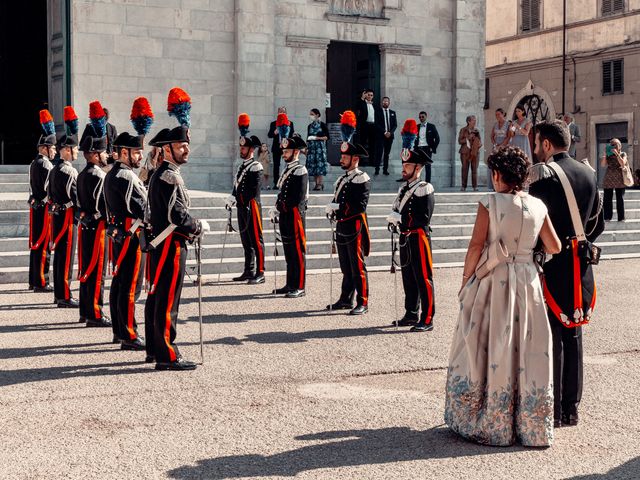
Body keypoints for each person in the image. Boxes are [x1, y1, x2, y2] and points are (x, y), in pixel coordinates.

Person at [445, 146, 562, 447]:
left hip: (495, 280)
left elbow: (475, 246)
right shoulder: (538, 205)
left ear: (497, 174)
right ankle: (529, 425)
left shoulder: (490, 202)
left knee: (488, 344)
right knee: (527, 347)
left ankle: (491, 419)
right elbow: (554, 246)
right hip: (527, 280)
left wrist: (466, 279)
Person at [529, 120, 605, 428]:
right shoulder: (589, 173)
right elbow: (597, 224)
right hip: (581, 266)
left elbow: (535, 223)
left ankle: (555, 411)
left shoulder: (543, 176)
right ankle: (572, 408)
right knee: (574, 332)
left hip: (554, 263)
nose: (535, 150)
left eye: (536, 144)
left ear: (546, 144)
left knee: (553, 335)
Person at [145, 91, 208, 370]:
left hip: (164, 244)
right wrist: (196, 225)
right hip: (170, 245)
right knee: (168, 300)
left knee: (160, 298)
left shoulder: (163, 173)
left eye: (186, 145)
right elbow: (176, 215)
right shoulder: (168, 175)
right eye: (182, 146)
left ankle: (156, 349)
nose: (187, 150)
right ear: (167, 149)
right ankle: (167, 354)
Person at [104, 130, 147, 350]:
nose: (140, 156)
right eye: (137, 152)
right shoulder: (126, 176)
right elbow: (142, 209)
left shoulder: (112, 174)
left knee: (119, 285)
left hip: (119, 234)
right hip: (131, 236)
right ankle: (129, 334)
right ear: (124, 152)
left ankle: (119, 330)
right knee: (130, 286)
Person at [386, 143, 436, 332]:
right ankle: (411, 313)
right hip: (405, 237)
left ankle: (428, 317)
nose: (404, 168)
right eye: (404, 165)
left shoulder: (425, 188)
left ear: (418, 168)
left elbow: (424, 217)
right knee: (408, 276)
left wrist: (402, 219)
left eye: (408, 165)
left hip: (419, 237)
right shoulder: (403, 189)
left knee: (423, 277)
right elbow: (397, 209)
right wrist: (394, 219)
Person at [326, 111, 371, 315]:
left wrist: (339, 209)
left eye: (345, 157)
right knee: (345, 265)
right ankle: (345, 299)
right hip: (342, 225)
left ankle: (363, 300)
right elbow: (339, 200)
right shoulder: (342, 179)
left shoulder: (361, 178)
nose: (341, 159)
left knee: (357, 265)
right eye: (342, 156)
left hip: (354, 226)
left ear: (354, 159)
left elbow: (358, 205)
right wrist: (333, 209)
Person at [76, 130, 112, 328]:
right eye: (103, 152)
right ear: (94, 155)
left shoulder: (82, 174)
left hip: (86, 227)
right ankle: (95, 313)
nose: (106, 155)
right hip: (98, 228)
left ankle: (85, 310)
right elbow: (103, 206)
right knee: (97, 271)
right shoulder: (99, 175)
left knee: (86, 270)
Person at [269, 135, 308, 298]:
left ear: (296, 152)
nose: (284, 154)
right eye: (283, 151)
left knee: (297, 251)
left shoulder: (300, 170)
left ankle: (299, 285)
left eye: (287, 151)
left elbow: (297, 197)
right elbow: (282, 193)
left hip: (295, 215)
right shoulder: (287, 170)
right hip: (285, 214)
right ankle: (290, 283)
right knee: (288, 250)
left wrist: (281, 207)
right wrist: (277, 207)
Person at [47, 116, 80, 308]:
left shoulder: (53, 169)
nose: (76, 152)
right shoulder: (69, 171)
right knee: (65, 257)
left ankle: (59, 293)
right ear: (66, 150)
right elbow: (76, 198)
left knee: (59, 257)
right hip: (67, 218)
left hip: (57, 216)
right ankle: (64, 295)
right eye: (74, 149)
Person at [227, 125, 265, 284]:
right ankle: (248, 270)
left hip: (252, 206)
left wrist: (239, 199)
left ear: (251, 150)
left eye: (244, 148)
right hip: (242, 207)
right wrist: (232, 197)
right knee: (246, 239)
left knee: (256, 240)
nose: (241, 150)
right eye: (241, 147)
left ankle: (260, 271)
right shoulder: (241, 166)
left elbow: (252, 190)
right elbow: (238, 186)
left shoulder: (256, 166)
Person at [28, 110, 56, 292]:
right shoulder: (46, 164)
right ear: (45, 148)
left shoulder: (33, 163)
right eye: (52, 148)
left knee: (36, 245)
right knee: (43, 245)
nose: (54, 151)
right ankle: (41, 281)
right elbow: (48, 188)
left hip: (36, 206)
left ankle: (34, 279)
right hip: (44, 207)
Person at [267, 107, 295, 188]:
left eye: (283, 112)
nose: (282, 113)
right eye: (280, 112)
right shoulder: (273, 123)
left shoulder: (290, 123)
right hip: (276, 147)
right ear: (277, 113)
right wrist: (274, 132)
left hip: (287, 148)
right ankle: (276, 183)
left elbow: (292, 135)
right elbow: (269, 135)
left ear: (286, 113)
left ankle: (287, 182)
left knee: (288, 164)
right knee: (276, 165)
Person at [601, 138, 628, 222]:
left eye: (615, 144)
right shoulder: (608, 155)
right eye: (612, 144)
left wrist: (617, 155)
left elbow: (623, 163)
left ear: (620, 146)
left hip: (619, 178)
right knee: (607, 199)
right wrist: (605, 155)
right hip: (609, 178)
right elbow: (603, 165)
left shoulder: (623, 154)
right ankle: (607, 217)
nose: (614, 146)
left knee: (620, 198)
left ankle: (621, 218)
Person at [356, 89, 381, 174]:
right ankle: (361, 161)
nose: (370, 96)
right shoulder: (362, 103)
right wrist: (362, 98)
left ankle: (372, 161)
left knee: (372, 143)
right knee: (362, 143)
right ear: (365, 95)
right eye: (368, 95)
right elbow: (357, 107)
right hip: (365, 125)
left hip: (373, 126)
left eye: (371, 95)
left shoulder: (375, 105)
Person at [306, 108, 329, 190]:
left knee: (319, 166)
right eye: (310, 114)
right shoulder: (309, 126)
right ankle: (316, 183)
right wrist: (306, 148)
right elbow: (307, 138)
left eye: (312, 114)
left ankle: (320, 183)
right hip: (312, 148)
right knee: (314, 166)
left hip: (319, 148)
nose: (311, 116)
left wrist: (316, 138)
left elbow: (327, 137)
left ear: (317, 115)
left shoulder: (322, 125)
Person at [457, 115, 482, 191]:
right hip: (465, 152)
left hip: (475, 152)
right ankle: (463, 186)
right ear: (468, 121)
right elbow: (460, 141)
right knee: (464, 169)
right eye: (473, 120)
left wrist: (479, 144)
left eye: (475, 120)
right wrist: (468, 137)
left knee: (474, 170)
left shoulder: (476, 131)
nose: (475, 122)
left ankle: (475, 187)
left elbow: (480, 141)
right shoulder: (463, 130)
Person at [413, 111, 440, 183]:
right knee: (417, 167)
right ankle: (416, 183)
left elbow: (437, 138)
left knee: (428, 166)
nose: (421, 118)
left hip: (427, 149)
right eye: (420, 117)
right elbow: (413, 138)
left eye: (422, 117)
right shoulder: (416, 126)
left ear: (426, 117)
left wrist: (433, 148)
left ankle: (428, 183)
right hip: (418, 149)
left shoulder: (431, 126)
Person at [376, 96, 397, 176]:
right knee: (379, 152)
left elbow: (395, 125)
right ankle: (377, 169)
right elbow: (376, 124)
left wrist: (390, 133)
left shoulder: (393, 113)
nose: (385, 102)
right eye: (384, 101)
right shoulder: (378, 112)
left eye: (387, 101)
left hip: (390, 137)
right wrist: (384, 132)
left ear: (389, 103)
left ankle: (385, 170)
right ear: (382, 103)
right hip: (381, 136)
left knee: (386, 154)